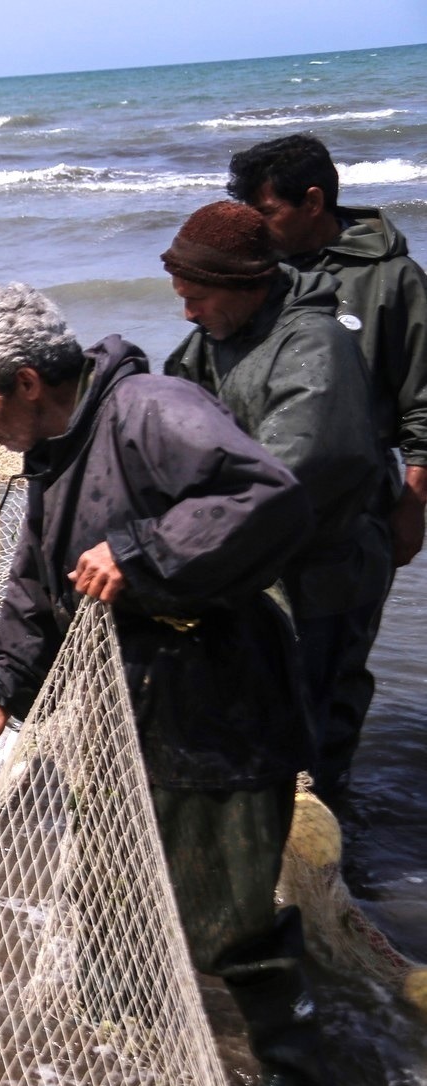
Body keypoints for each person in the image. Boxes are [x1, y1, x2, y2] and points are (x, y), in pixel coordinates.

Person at [0, 284, 328, 1086]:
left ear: (26, 382)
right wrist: (0, 693)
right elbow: (33, 582)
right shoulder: (54, 445)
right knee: (111, 889)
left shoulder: (151, 409)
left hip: (221, 706)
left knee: (230, 918)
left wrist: (141, 549)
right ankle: (119, 1068)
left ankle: (298, 1083)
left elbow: (269, 495)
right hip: (130, 705)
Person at [162, 201, 387, 808]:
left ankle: (332, 874)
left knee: (314, 736)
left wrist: (176, 543)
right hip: (260, 570)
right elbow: (170, 409)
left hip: (322, 578)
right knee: (259, 725)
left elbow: (286, 476)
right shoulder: (215, 333)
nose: (187, 312)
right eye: (181, 296)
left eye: (197, 298)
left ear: (248, 284)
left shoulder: (315, 347)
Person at [228, 132, 427, 800]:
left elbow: (423, 401)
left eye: (269, 213)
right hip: (267, 509)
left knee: (336, 675)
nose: (260, 228)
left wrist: (413, 503)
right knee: (267, 670)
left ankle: (332, 824)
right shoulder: (265, 277)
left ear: (314, 201)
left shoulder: (392, 280)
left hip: (354, 515)